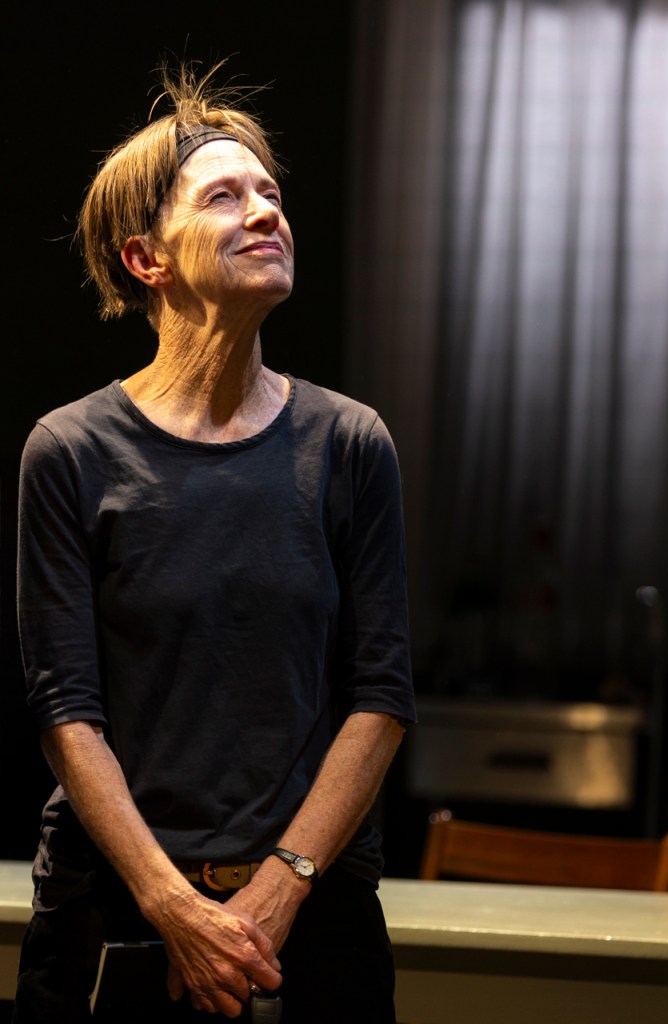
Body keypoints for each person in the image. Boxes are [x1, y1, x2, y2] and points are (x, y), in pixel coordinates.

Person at [14, 63, 416, 1023]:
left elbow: (381, 694)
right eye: (226, 197)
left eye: (272, 195)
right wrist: (174, 907)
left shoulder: (349, 442)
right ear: (146, 258)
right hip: (113, 910)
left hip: (313, 916)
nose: (266, 214)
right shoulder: (69, 449)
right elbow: (66, 713)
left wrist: (276, 893)